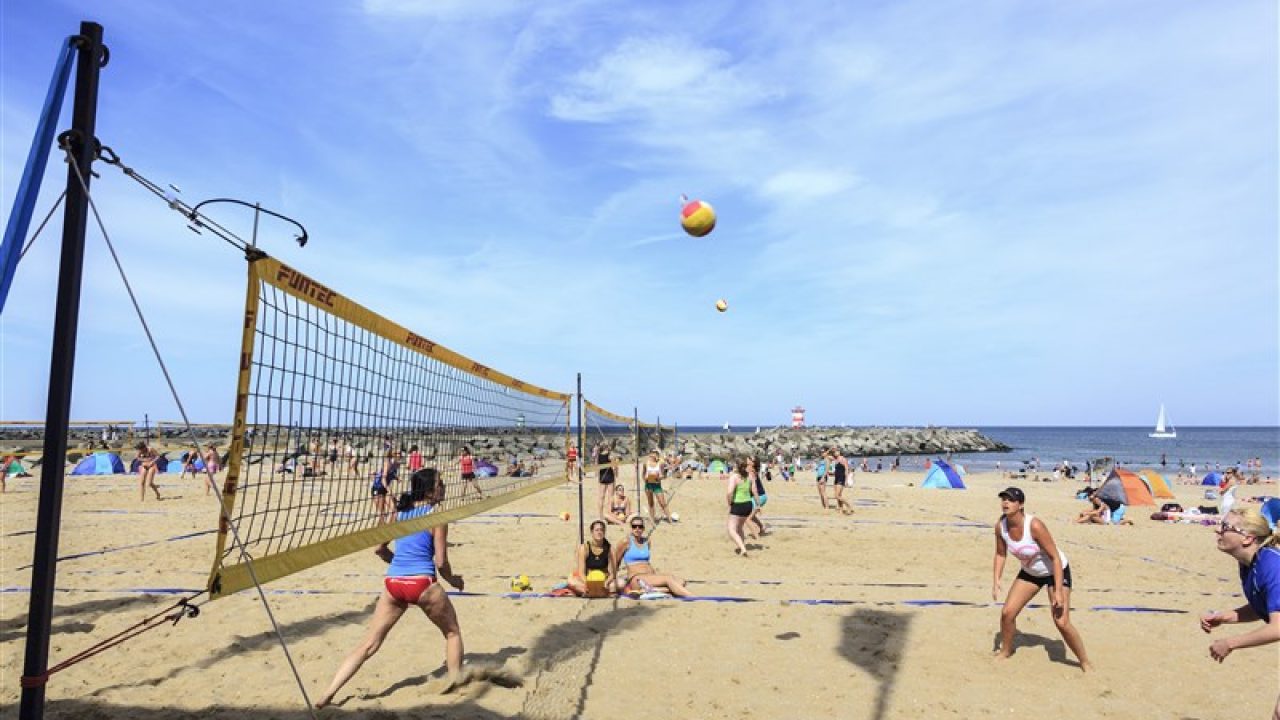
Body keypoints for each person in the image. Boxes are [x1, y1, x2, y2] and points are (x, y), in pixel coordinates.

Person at [317, 470, 464, 708]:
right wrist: (454, 580)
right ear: (428, 491)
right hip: (423, 584)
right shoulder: (437, 516)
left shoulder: (399, 514)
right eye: (440, 484)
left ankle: (328, 693)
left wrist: (400, 564)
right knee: (452, 633)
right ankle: (456, 685)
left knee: (369, 644)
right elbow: (440, 563)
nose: (444, 488)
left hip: (393, 582)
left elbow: (379, 549)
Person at [991, 487, 1091, 671]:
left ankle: (1084, 661)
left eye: (1011, 500)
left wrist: (1059, 591)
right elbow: (1000, 554)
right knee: (1007, 613)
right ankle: (1006, 650)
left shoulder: (1034, 525)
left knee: (1061, 621)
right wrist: (996, 580)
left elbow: (1055, 558)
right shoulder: (1000, 526)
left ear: (1020, 505)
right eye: (1003, 499)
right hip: (1031, 573)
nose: (1005, 502)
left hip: (1055, 571)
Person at [1201, 507, 1280, 719]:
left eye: (1225, 527)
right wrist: (1225, 617)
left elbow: (1278, 627)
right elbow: (1265, 607)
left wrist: (1230, 643)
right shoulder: (1248, 563)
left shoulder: (1272, 566)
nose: (1218, 531)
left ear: (1247, 538)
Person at [613, 515, 692, 597]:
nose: (637, 529)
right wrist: (613, 578)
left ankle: (652, 590)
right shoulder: (626, 542)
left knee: (681, 581)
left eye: (640, 527)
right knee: (668, 579)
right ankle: (692, 596)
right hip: (637, 578)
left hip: (651, 576)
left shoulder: (647, 541)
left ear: (643, 528)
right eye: (634, 526)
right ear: (631, 528)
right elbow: (615, 561)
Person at [567, 520, 618, 597]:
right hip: (588, 578)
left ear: (604, 532)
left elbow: (613, 573)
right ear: (592, 532)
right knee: (571, 581)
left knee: (620, 584)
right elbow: (581, 572)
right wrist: (588, 583)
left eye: (602, 530)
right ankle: (593, 591)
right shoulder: (584, 548)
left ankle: (592, 592)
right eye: (597, 530)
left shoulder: (610, 549)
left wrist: (606, 582)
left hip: (603, 579)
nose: (599, 532)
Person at [725, 459, 753, 557]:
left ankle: (743, 549)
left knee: (731, 529)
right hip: (748, 504)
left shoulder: (734, 477)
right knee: (740, 527)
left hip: (739, 504)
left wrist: (729, 504)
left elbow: (729, 493)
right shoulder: (749, 476)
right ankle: (742, 545)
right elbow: (751, 490)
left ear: (736, 467)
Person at [641, 451, 674, 523]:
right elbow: (643, 474)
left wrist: (659, 478)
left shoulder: (660, 463)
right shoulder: (646, 463)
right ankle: (652, 519)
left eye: (655, 455)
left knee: (662, 503)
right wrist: (645, 479)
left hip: (657, 485)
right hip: (648, 484)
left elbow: (663, 476)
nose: (653, 456)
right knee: (650, 503)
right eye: (651, 455)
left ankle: (670, 519)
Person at [595, 441, 616, 520]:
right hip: (610, 476)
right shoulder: (610, 455)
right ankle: (609, 514)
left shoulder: (598, 455)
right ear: (607, 447)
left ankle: (600, 515)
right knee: (610, 497)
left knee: (601, 497)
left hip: (602, 476)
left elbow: (597, 466)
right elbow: (614, 467)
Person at [829, 449, 854, 515]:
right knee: (838, 496)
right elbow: (825, 456)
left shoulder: (843, 459)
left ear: (839, 452)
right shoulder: (835, 460)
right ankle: (841, 509)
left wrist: (846, 480)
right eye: (834, 452)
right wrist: (832, 474)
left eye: (837, 451)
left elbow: (846, 470)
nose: (835, 453)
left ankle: (849, 506)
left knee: (837, 495)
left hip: (841, 478)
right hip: (836, 478)